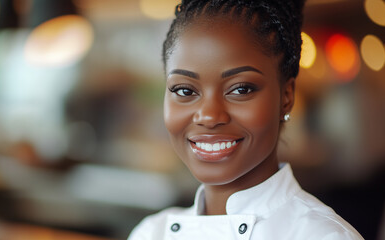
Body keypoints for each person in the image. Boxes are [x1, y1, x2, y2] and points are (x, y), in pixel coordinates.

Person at [128, 0, 363, 239]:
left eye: (240, 89)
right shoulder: (150, 233)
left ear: (286, 96)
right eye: (185, 91)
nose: (209, 116)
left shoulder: (324, 236)